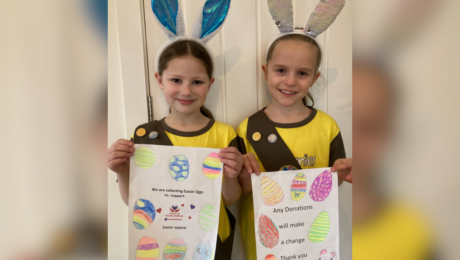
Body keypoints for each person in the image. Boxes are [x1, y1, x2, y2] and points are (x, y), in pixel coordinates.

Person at [107, 40, 242, 260]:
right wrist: (121, 172)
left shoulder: (225, 135)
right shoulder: (144, 136)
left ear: (210, 84)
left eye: (197, 81)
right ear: (159, 80)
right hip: (161, 239)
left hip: (209, 240)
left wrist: (230, 175)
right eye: (176, 80)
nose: (186, 90)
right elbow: (136, 201)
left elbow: (229, 200)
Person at [237, 33, 353, 260]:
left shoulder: (326, 126)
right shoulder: (248, 128)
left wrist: (343, 174)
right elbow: (244, 190)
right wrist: (241, 172)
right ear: (265, 71)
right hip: (266, 239)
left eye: (302, 73)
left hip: (311, 236)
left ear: (314, 77)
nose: (290, 81)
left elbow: (331, 183)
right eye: (281, 70)